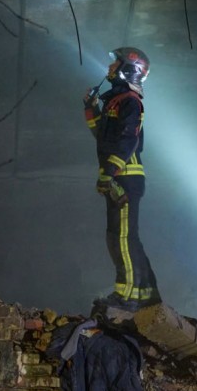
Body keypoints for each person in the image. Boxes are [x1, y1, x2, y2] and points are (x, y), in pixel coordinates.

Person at [83, 47, 161, 313]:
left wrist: (110, 173)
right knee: (116, 238)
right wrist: (91, 110)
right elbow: (104, 138)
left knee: (123, 239)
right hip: (117, 177)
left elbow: (127, 141)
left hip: (126, 179)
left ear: (129, 68)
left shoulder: (130, 101)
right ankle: (144, 291)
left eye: (115, 63)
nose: (109, 68)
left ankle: (128, 296)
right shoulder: (115, 101)